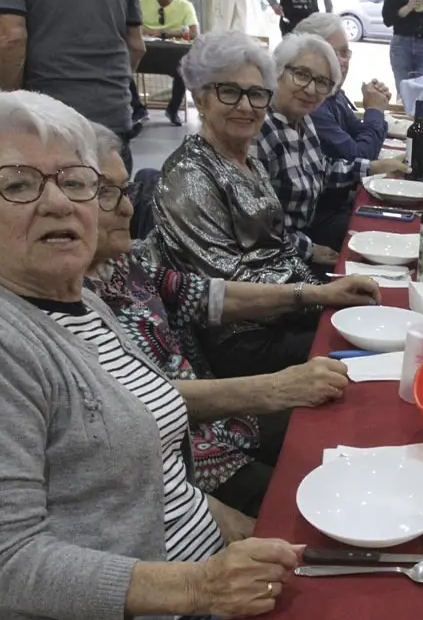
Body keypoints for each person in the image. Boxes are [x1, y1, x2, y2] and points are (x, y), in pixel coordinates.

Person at [0, 88, 302, 620]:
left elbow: (142, 466)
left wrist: (221, 521)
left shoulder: (83, 303)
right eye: (18, 183)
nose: (58, 203)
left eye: (75, 182)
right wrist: (200, 587)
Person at [87, 125, 373, 516]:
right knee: (327, 505)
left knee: (349, 420)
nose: (127, 209)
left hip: (219, 421)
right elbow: (130, 405)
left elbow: (208, 295)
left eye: (124, 191)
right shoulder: (63, 307)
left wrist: (319, 294)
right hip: (182, 458)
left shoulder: (122, 262)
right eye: (104, 193)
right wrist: (276, 387)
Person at [147, 31, 373, 379]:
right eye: (229, 91)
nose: (246, 106)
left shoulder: (247, 161)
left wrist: (323, 292)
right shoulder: (189, 175)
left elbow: (278, 250)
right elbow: (224, 289)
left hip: (283, 313)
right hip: (241, 338)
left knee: (376, 319)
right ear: (200, 97)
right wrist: (318, 295)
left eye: (256, 94)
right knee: (366, 359)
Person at [0, 0, 147, 173]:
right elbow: (136, 45)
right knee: (110, 193)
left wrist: (6, 109)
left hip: (48, 128)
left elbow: (10, 38)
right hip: (113, 120)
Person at [257, 33, 390, 259]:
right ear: (277, 72)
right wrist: (310, 251)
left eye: (322, 82)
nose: (311, 89)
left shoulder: (302, 119)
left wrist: (372, 168)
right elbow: (256, 225)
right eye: (301, 75)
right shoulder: (260, 128)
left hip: (307, 232)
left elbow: (321, 169)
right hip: (281, 254)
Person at [295, 13, 400, 166]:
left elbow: (360, 136)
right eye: (331, 54)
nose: (341, 61)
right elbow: (361, 158)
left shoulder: (334, 94)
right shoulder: (312, 103)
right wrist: (375, 111)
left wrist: (376, 109)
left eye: (344, 52)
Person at [132, 0, 200, 127]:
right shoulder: (141, 0)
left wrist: (163, 33)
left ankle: (173, 109)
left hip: (172, 55)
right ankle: (138, 108)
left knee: (184, 68)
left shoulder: (185, 6)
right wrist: (143, 30)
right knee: (122, 65)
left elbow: (193, 33)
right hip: (144, 52)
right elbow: (130, 23)